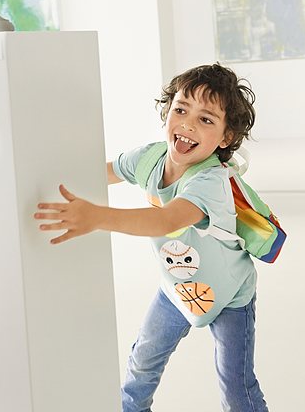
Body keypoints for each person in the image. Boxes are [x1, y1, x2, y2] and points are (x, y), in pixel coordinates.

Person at [34, 63, 269, 411]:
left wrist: (96, 216)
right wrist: (44, 172)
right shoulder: (149, 159)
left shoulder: (210, 182)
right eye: (181, 110)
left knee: (236, 386)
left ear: (225, 137)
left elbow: (165, 220)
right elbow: (99, 173)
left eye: (206, 119)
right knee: (141, 365)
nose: (188, 124)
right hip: (177, 289)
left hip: (231, 294)